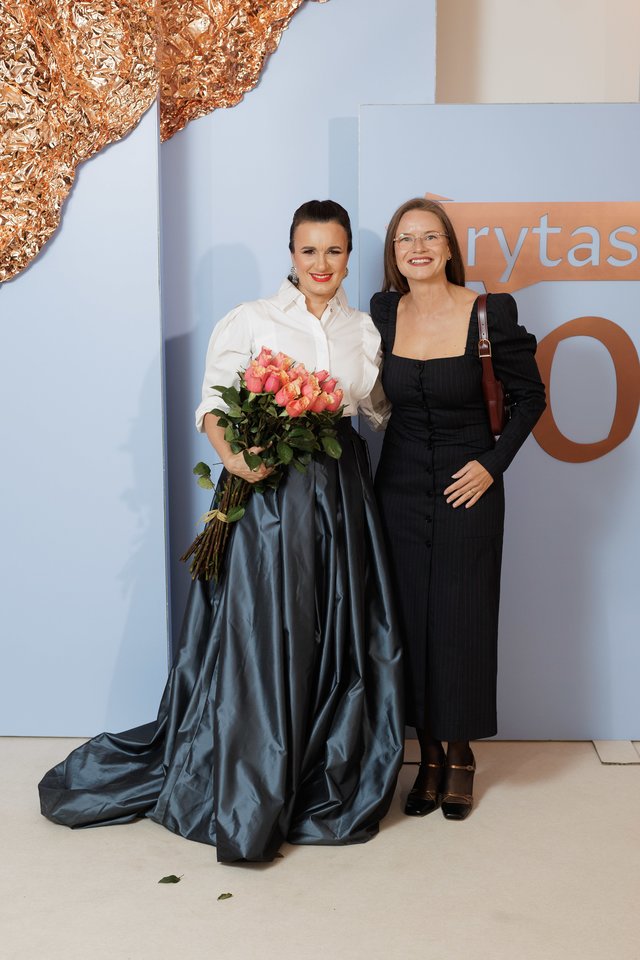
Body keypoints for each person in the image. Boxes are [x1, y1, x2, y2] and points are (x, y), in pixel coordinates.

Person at [39, 200, 404, 862]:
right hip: (271, 494)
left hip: (343, 491)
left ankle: (320, 761)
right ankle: (259, 765)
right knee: (274, 624)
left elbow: (377, 409)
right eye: (309, 250)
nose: (321, 263)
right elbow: (213, 403)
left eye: (334, 250)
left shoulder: (365, 330)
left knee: (337, 623)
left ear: (350, 256)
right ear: (290, 254)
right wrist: (235, 458)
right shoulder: (252, 319)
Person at [371, 197, 546, 820]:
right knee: (410, 620)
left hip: (468, 485)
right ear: (394, 254)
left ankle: (462, 754)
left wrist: (492, 465)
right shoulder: (383, 311)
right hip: (397, 486)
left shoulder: (489, 312)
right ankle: (427, 757)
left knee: (461, 619)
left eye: (429, 237)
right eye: (405, 239)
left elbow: (531, 398)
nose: (417, 248)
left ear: (448, 246)